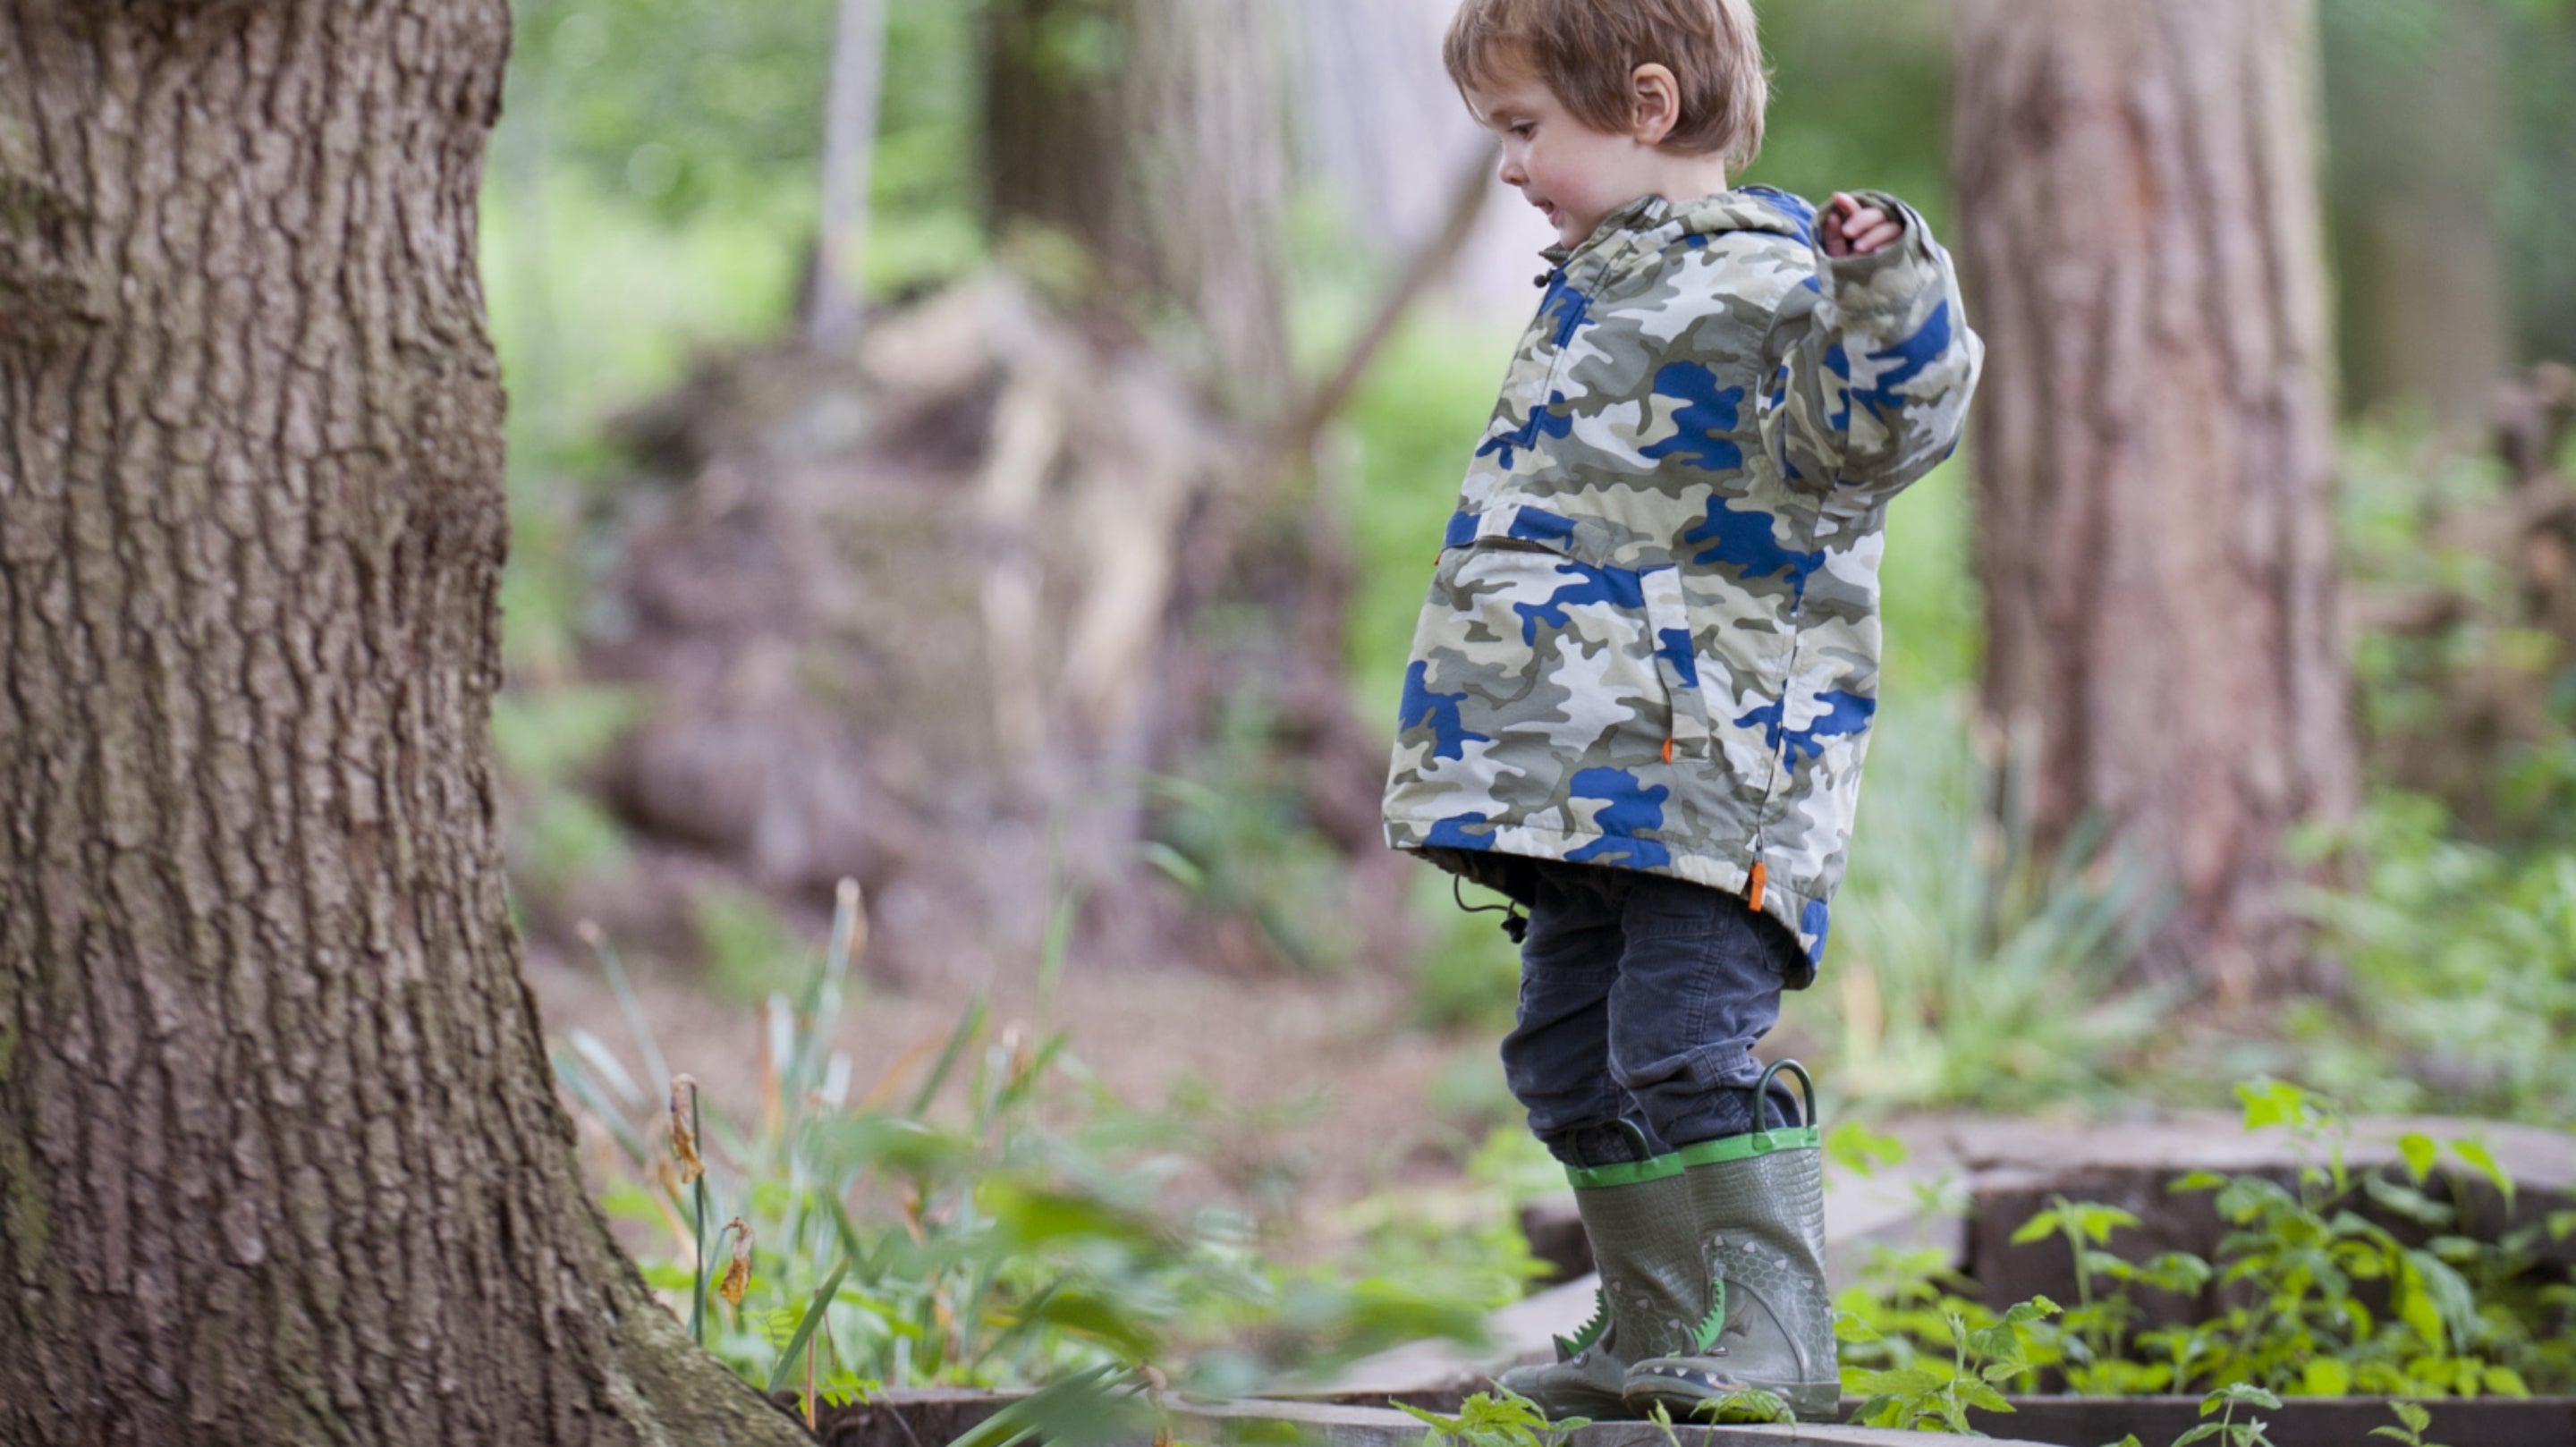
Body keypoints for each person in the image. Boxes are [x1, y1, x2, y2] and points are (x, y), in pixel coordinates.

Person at [1380, 0, 1984, 1423]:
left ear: (1646, 106)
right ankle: (1659, 1323)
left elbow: (1884, 426)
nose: (1513, 167)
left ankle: (1778, 1332)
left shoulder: (1768, 283)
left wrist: (1883, 285)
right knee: (1562, 1047)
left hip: (1708, 774)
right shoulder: (1594, 284)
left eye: (1526, 130)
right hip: (1575, 786)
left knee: (1683, 1037)